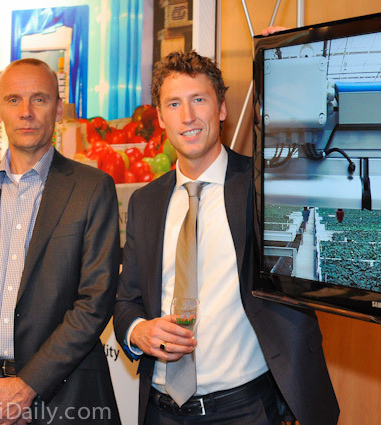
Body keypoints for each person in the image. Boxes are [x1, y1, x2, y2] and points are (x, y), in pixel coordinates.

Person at [113, 50, 339, 425]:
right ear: (161, 118)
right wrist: (140, 331)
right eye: (174, 104)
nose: (187, 116)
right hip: (159, 411)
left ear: (221, 109)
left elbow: (312, 153)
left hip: (245, 410)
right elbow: (127, 301)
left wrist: (287, 64)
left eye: (199, 100)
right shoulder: (145, 202)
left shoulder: (265, 187)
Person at [0, 58, 121, 425]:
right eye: (13, 100)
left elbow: (95, 300)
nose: (26, 112)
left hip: (68, 399)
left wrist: (27, 386)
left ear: (58, 109)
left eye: (39, 99)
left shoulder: (93, 188)